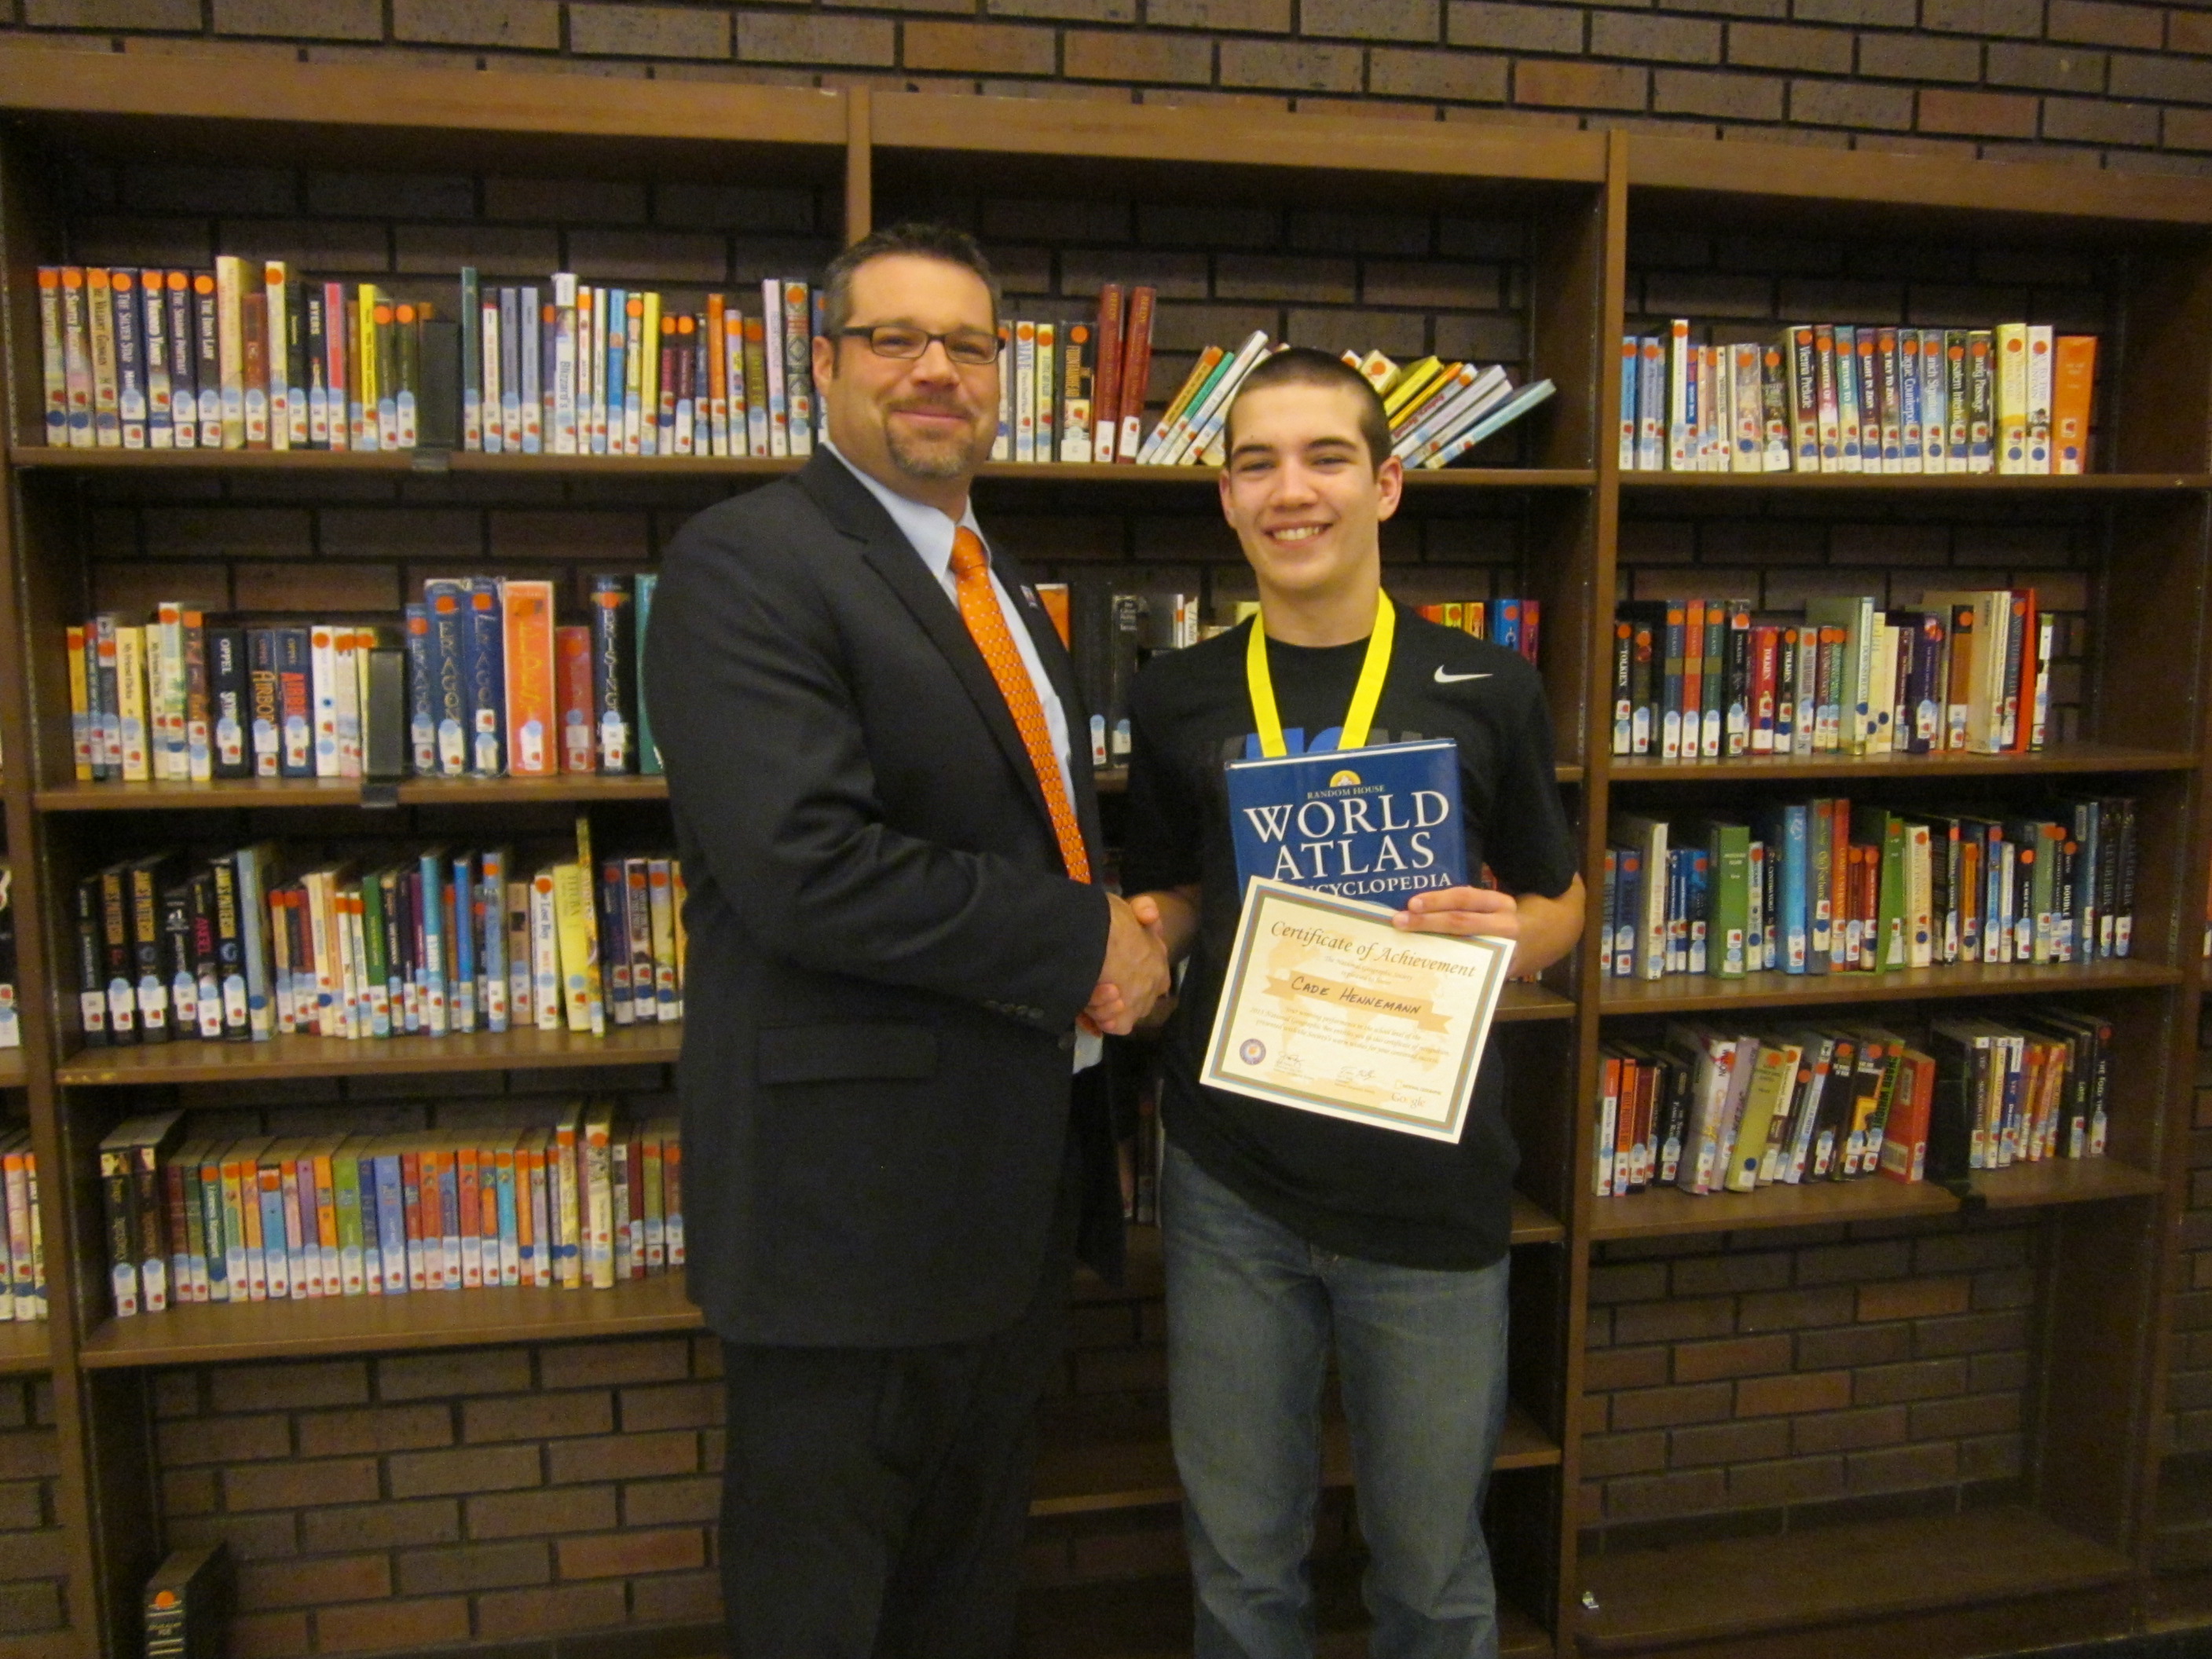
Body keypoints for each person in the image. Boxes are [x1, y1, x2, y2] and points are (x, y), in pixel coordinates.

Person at [644, 222, 1170, 1659]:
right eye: (894, 339)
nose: (937, 369)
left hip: (997, 1202)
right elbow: (805, 870)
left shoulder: (996, 583)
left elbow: (1024, 830)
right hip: (848, 1224)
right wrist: (1086, 944)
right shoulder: (750, 561)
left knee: (959, 1590)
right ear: (820, 364)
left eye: (971, 344)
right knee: (824, 1604)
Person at [1119, 348, 1586, 1659]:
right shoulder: (1177, 695)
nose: (1292, 490)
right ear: (1224, 499)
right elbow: (1182, 889)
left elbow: (1563, 899)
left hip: (1428, 1186)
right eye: (1257, 462)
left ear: (1386, 485)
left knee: (1432, 1576)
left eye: (1326, 457)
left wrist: (1521, 941)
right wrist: (1141, 935)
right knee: (1242, 1573)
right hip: (1233, 1180)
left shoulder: (1485, 685)